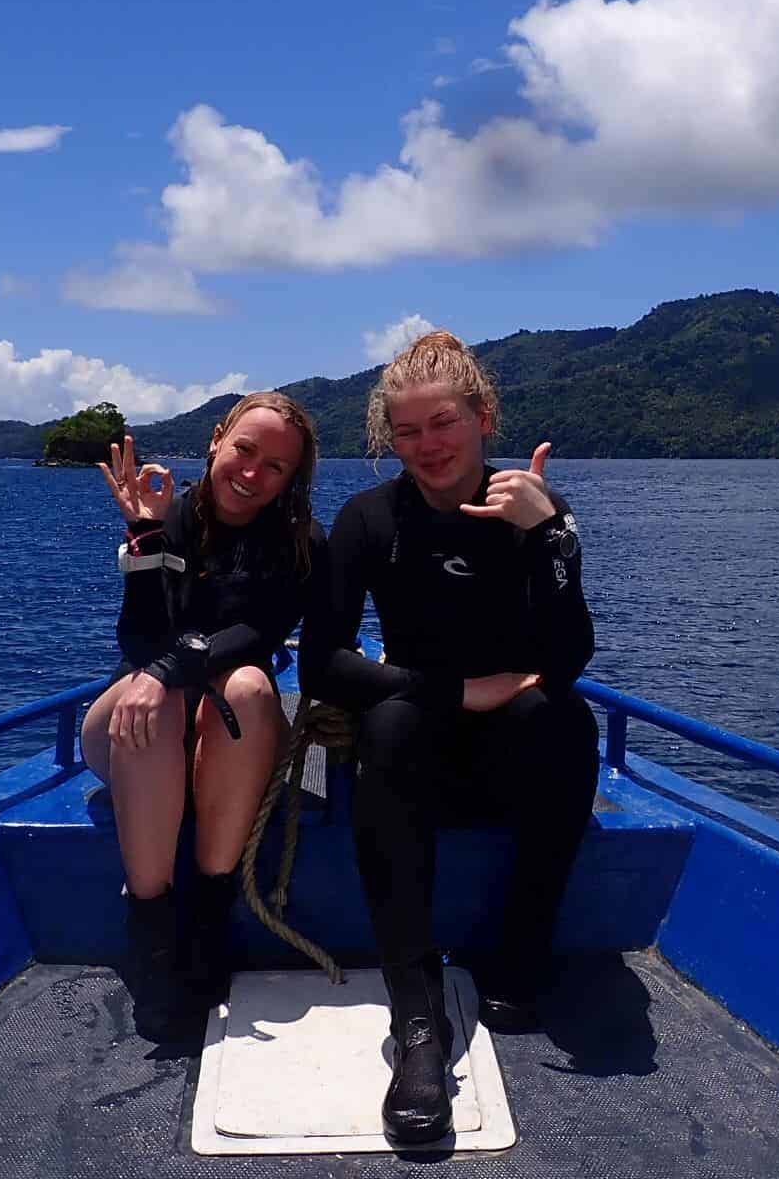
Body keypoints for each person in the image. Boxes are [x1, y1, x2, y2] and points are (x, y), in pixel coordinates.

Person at [300, 331, 598, 1144]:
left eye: (444, 425)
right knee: (392, 724)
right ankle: (420, 1024)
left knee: (567, 722)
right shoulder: (370, 518)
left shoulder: (534, 509)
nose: (427, 446)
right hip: (417, 743)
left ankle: (522, 953)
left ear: (483, 418)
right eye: (407, 432)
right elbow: (322, 662)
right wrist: (453, 691)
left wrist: (552, 541)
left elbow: (568, 661)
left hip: (513, 745)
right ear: (387, 440)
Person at [81, 391, 323, 1042]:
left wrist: (169, 671)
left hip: (230, 737)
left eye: (275, 466)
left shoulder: (300, 547)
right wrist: (144, 534)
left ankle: (210, 915)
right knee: (156, 698)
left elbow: (257, 635)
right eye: (245, 449)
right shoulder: (169, 518)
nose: (252, 472)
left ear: (291, 480)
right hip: (143, 730)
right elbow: (137, 642)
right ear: (217, 439)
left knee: (245, 686)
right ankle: (155, 936)